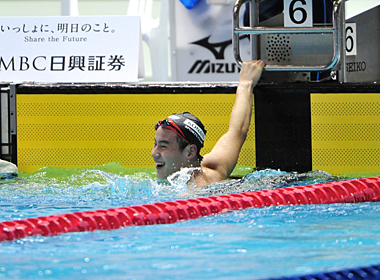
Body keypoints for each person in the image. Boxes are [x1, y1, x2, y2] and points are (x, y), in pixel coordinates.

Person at [152, 60, 265, 188]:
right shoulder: (213, 167)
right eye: (155, 144)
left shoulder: (196, 192)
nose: (154, 153)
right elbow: (237, 131)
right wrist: (246, 83)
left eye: (163, 146)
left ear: (190, 152)